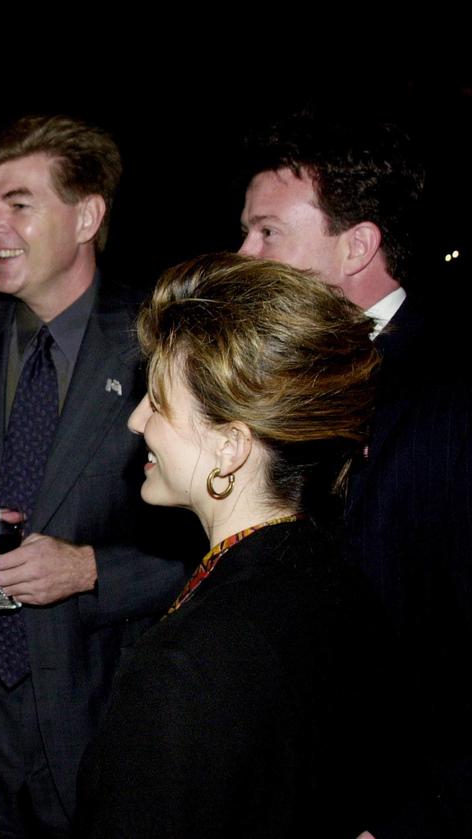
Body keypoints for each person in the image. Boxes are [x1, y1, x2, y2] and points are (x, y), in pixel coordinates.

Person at [0, 115, 190, 838]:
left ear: (87, 215)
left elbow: (220, 536)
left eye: (17, 204)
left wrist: (91, 569)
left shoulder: (162, 341)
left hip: (103, 710)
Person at [76, 252, 398, 837]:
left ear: (231, 448)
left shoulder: (185, 666)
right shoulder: (341, 584)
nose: (135, 421)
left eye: (158, 401)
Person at [238, 113, 471, 836]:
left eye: (267, 231)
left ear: (358, 245)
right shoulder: (284, 378)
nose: (243, 253)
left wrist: (413, 816)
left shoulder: (448, 399)